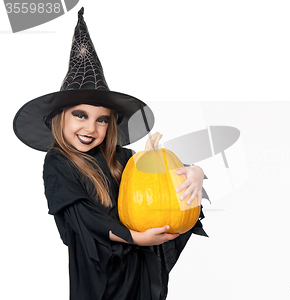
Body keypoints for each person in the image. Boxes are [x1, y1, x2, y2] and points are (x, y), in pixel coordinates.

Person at [13, 7, 207, 300]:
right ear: (60, 118)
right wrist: (136, 238)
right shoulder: (58, 162)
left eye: (102, 119)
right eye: (81, 115)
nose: (91, 127)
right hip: (100, 275)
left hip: (139, 268)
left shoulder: (124, 159)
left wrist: (196, 172)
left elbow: (162, 183)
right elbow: (84, 218)